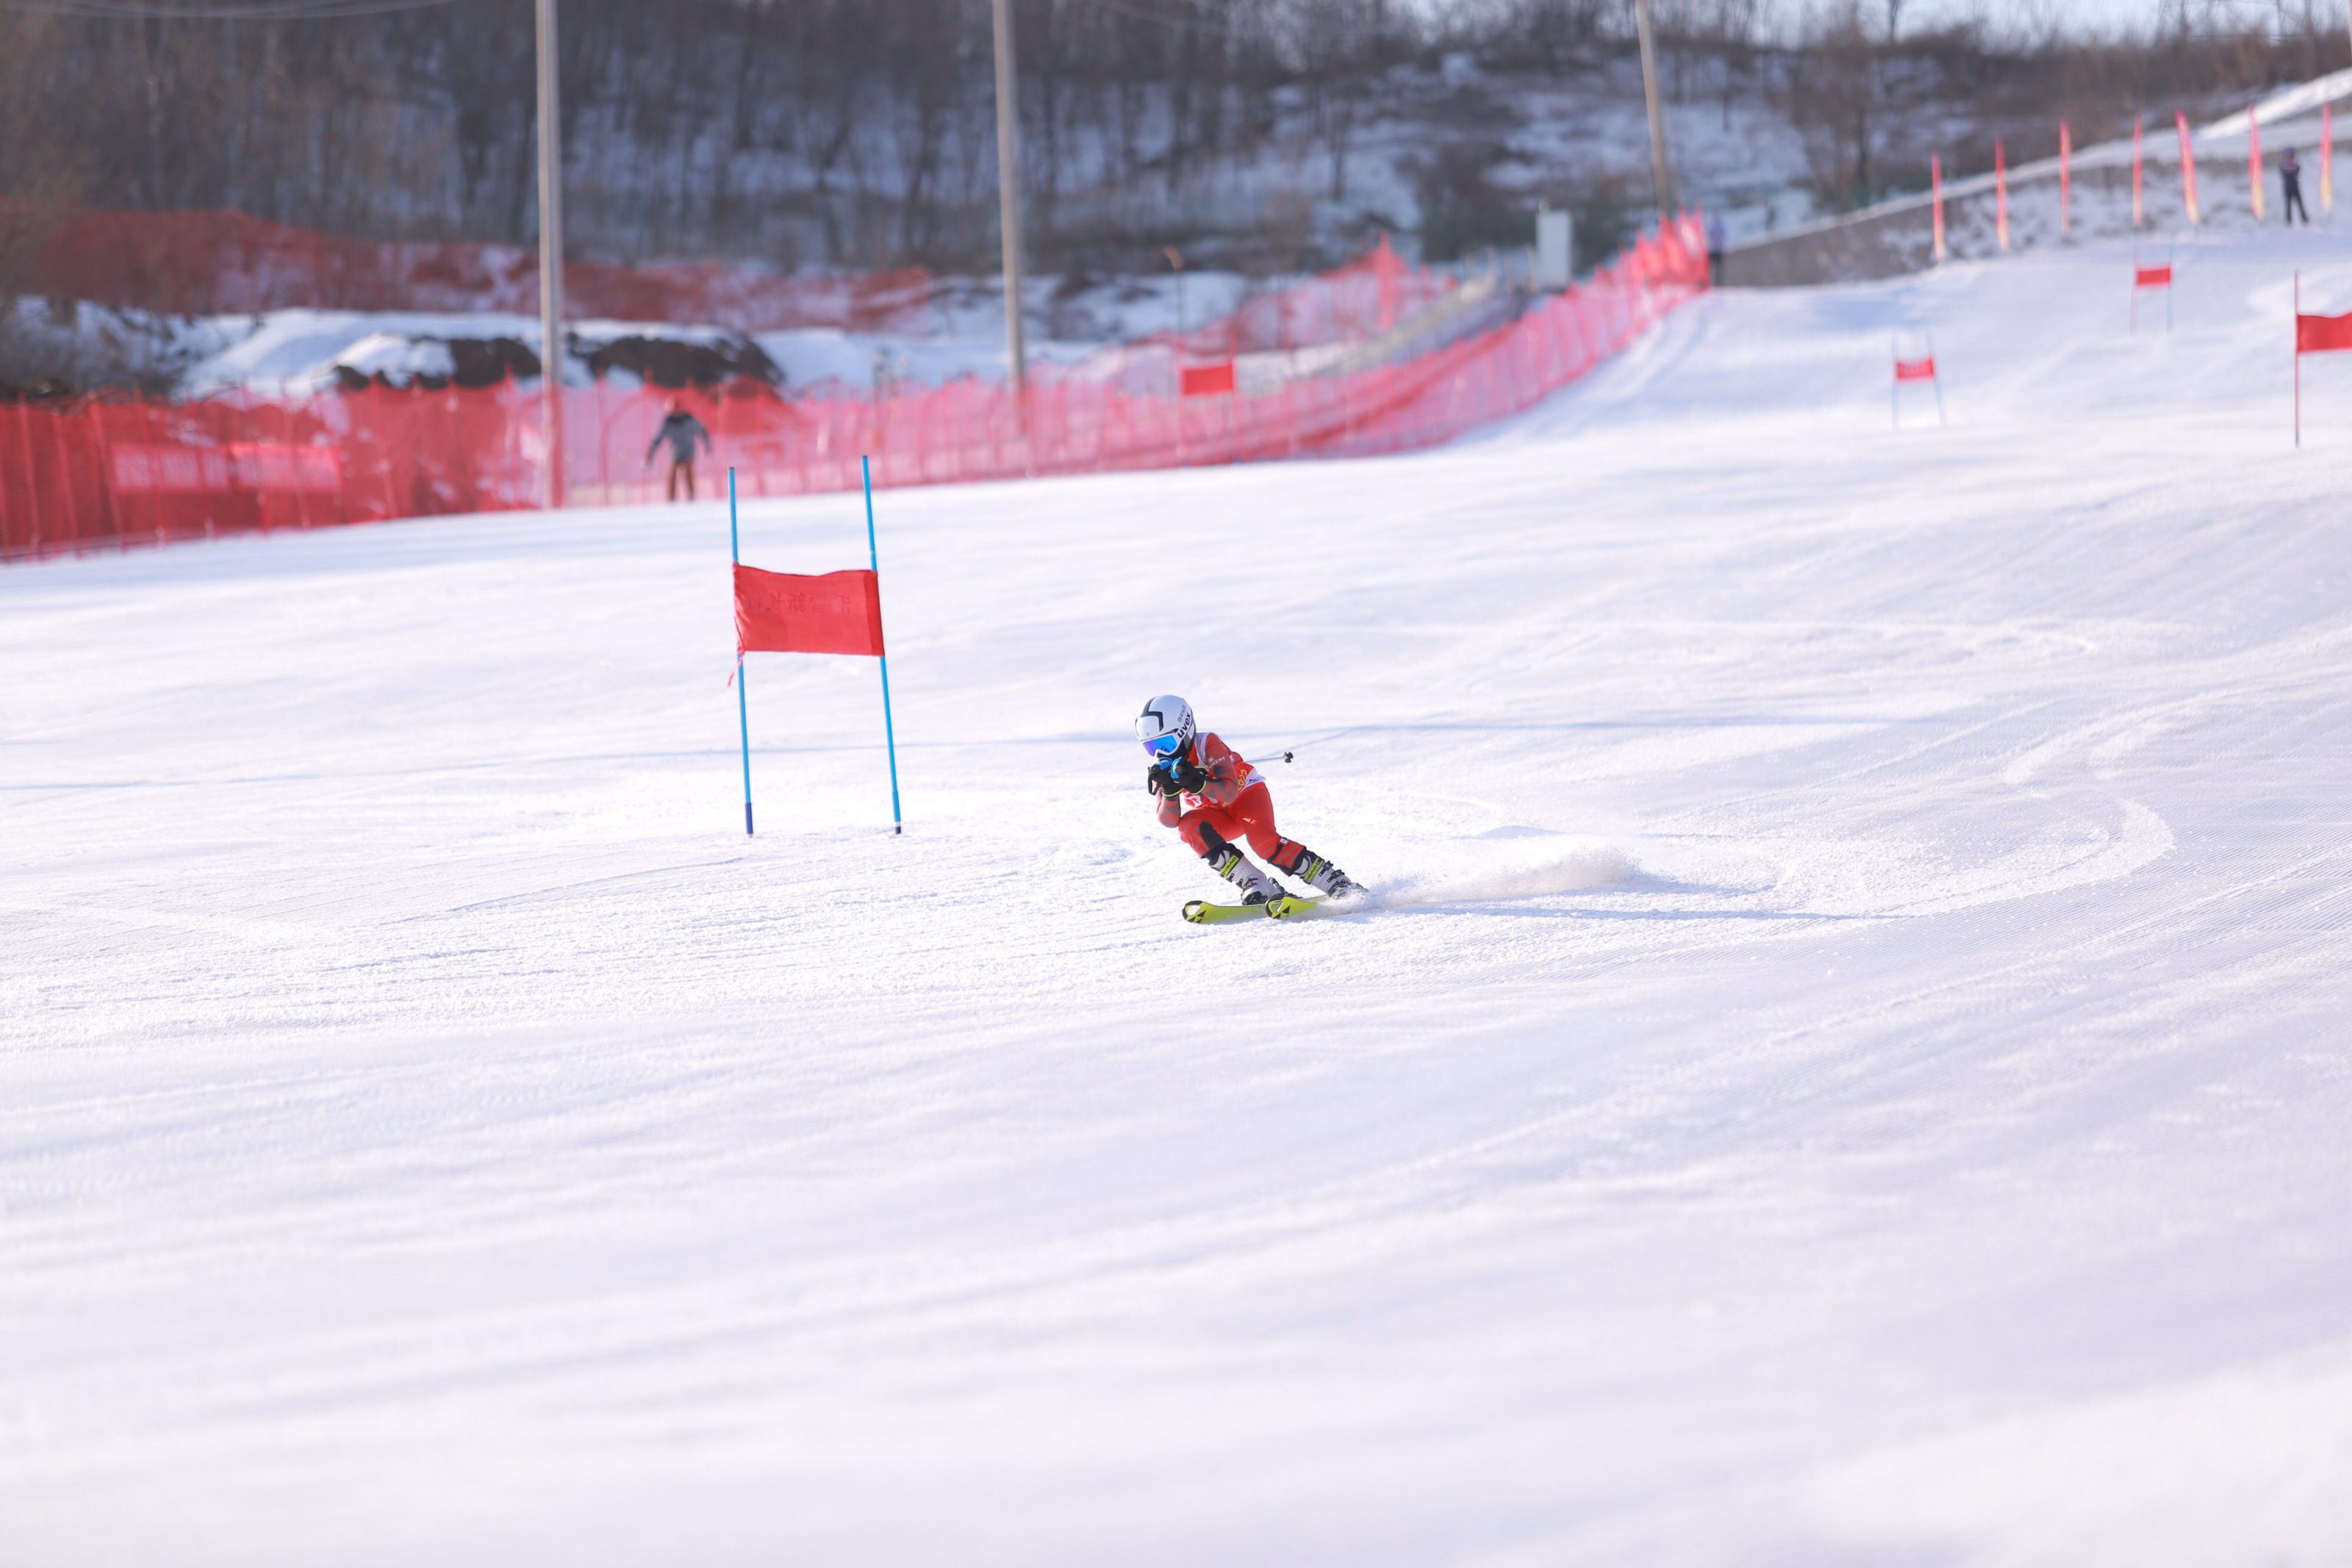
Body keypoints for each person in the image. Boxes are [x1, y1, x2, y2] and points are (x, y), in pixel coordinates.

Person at [1135, 694, 1359, 905]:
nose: (1161, 754)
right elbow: (1169, 821)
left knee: (1263, 841)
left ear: (1184, 730)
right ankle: (1257, 884)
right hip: (1219, 814)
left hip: (1246, 796)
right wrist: (1170, 792)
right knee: (1188, 827)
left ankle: (1333, 880)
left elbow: (1229, 791)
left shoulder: (1207, 743)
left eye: (1165, 745)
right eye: (1151, 747)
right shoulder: (1162, 768)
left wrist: (1199, 783)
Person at [645, 398, 713, 500]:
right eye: (673, 413)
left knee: (688, 473)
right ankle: (671, 500)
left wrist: (707, 446)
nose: (676, 415)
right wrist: (649, 456)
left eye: (678, 412)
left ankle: (691, 497)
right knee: (671, 474)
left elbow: (702, 431)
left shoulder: (690, 420)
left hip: (689, 451)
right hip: (675, 453)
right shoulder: (667, 423)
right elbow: (657, 440)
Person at [2281, 147, 2310, 226]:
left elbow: (2298, 173)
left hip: (2295, 188)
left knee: (2300, 204)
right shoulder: (2284, 165)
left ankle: (2305, 220)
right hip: (2288, 188)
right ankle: (2289, 221)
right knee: (2288, 205)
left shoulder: (2295, 165)